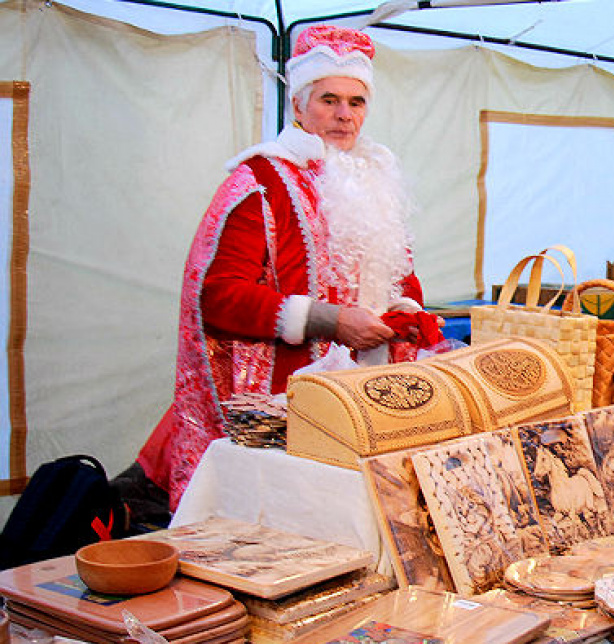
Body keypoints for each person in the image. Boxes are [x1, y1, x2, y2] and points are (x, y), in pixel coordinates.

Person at [137, 25, 424, 511]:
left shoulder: (374, 173)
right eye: (328, 99)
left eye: (356, 103)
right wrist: (331, 321)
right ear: (298, 106)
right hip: (285, 405)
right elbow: (219, 298)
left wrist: (404, 309)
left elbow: (401, 268)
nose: (343, 115)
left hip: (363, 396)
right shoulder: (261, 181)